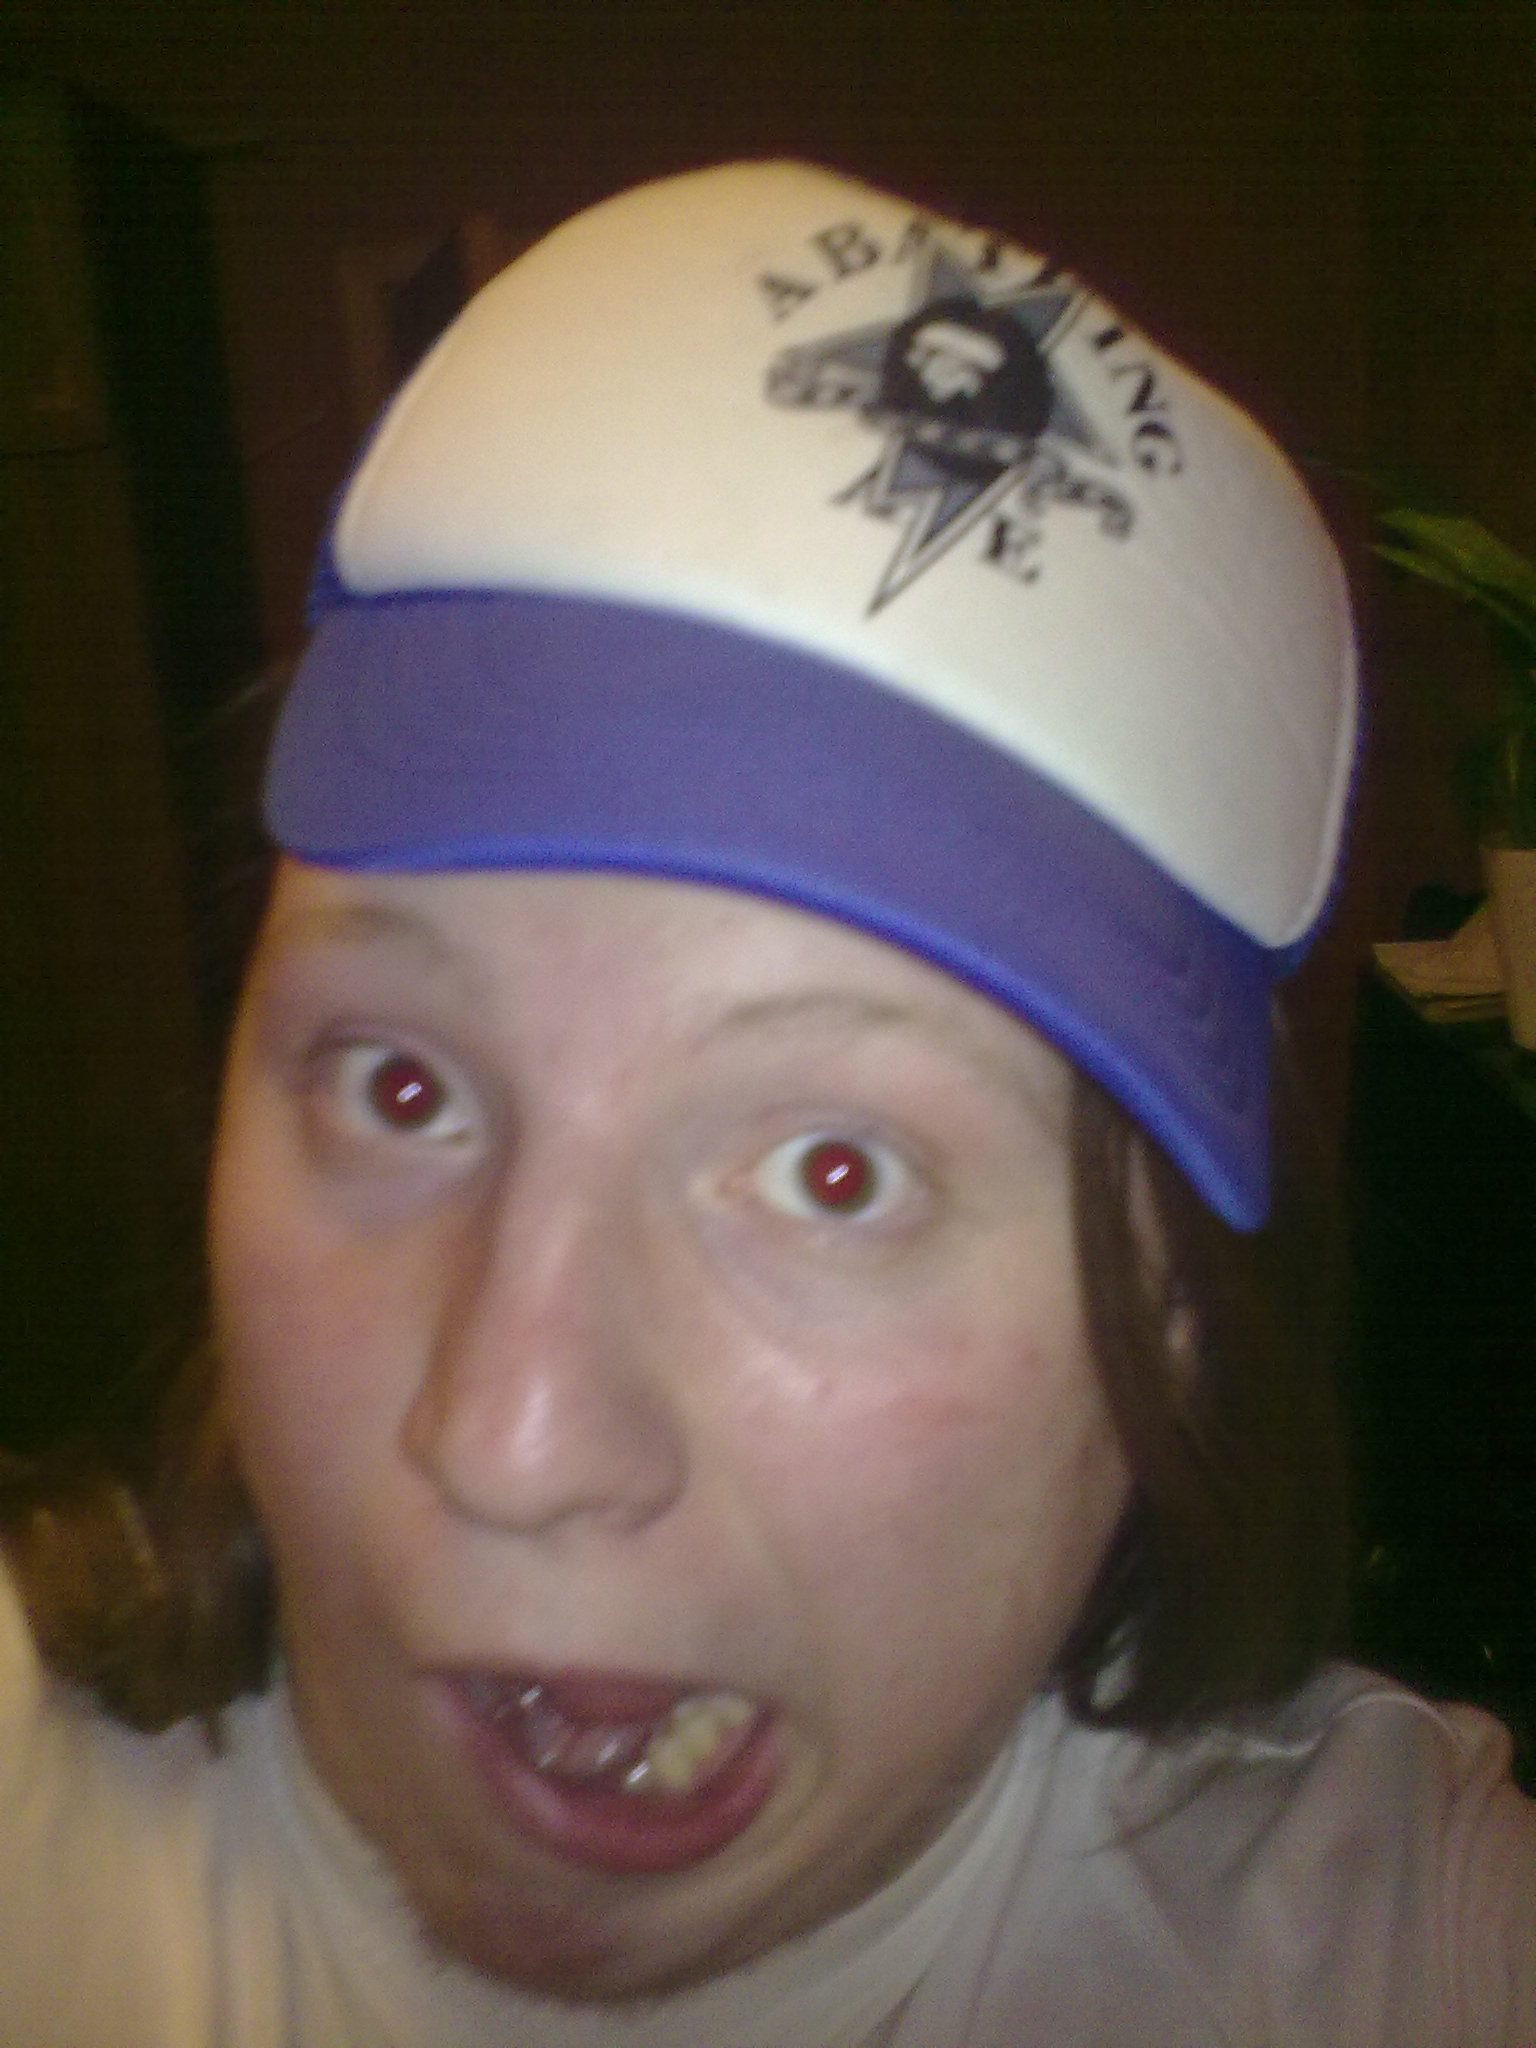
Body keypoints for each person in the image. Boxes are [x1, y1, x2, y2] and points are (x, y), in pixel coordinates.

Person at [2, 158, 1532, 2048]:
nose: (512, 1438)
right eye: (402, 1086)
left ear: (1177, 1327)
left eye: (836, 1170)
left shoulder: (1402, 1952)